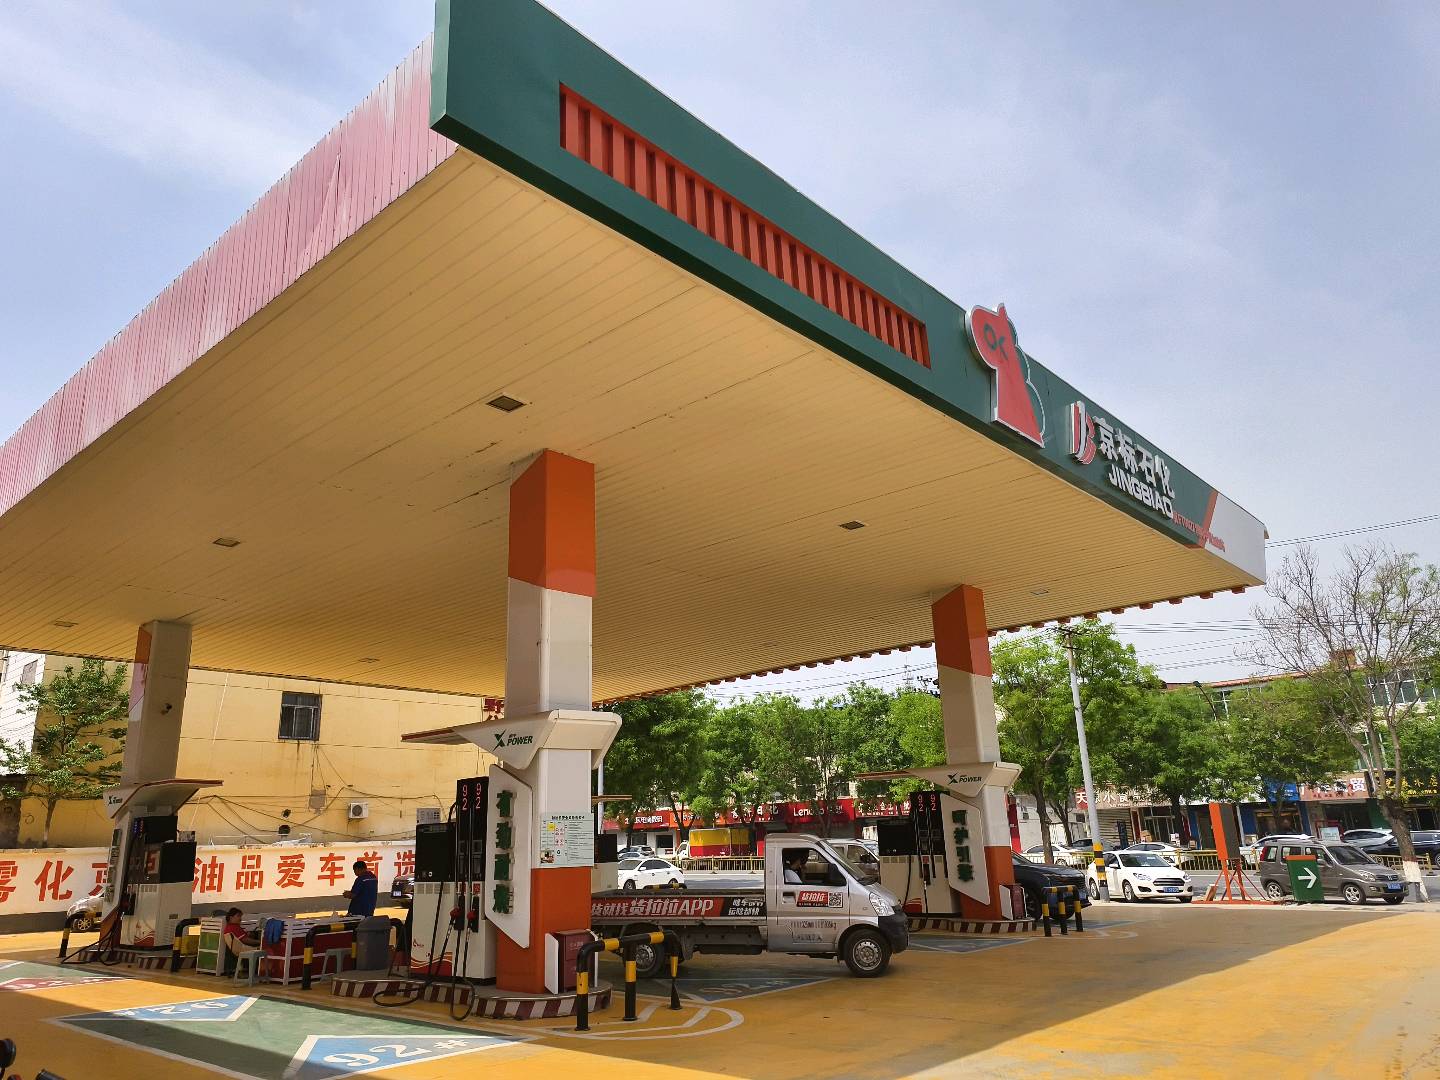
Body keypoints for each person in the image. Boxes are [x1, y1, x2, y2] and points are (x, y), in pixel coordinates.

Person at [221, 908, 259, 976]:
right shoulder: (234, 927)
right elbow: (245, 940)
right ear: (231, 917)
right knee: (263, 949)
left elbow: (241, 938)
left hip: (237, 949)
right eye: (238, 916)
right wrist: (260, 942)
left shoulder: (229, 927)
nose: (240, 918)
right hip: (243, 949)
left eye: (240, 916)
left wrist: (248, 934)